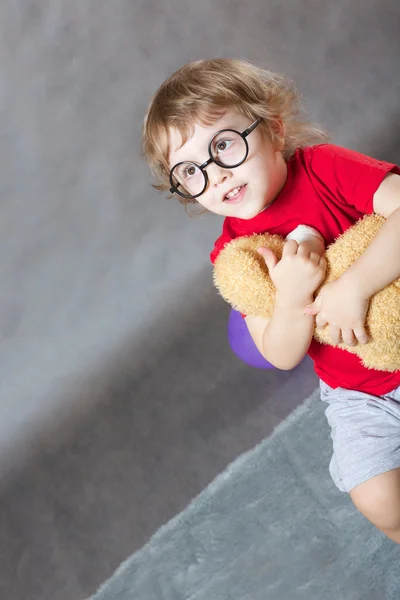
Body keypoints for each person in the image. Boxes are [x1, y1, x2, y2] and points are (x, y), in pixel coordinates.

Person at [142, 58, 400, 543]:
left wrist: (355, 286)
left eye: (223, 145)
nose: (215, 175)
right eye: (191, 171)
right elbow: (280, 354)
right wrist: (292, 297)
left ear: (275, 131)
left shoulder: (324, 168)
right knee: (378, 498)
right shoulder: (235, 256)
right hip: (359, 394)